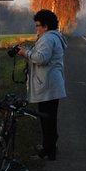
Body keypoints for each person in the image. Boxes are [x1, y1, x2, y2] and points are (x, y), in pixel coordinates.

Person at [18, 9, 67, 161]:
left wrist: (25, 53)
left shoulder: (47, 39)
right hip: (51, 84)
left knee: (47, 119)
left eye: (38, 25)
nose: (36, 28)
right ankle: (49, 145)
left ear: (45, 26)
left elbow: (41, 58)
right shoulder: (53, 37)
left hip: (48, 85)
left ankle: (48, 152)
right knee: (49, 119)